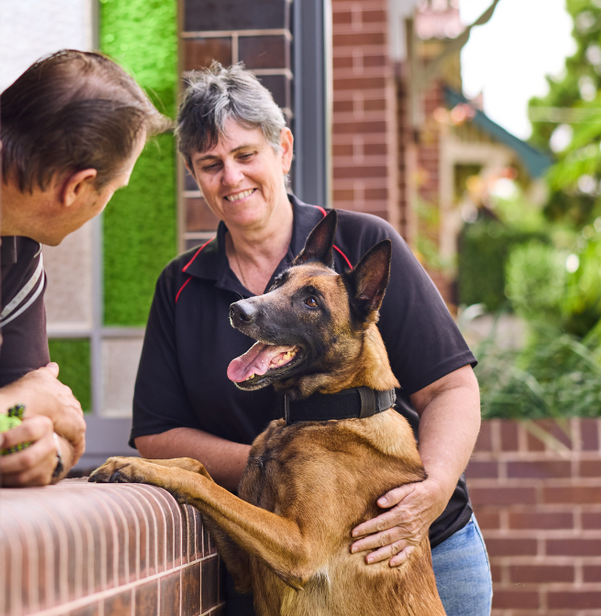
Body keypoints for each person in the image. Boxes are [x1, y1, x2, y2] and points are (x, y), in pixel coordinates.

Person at [129, 63, 492, 615]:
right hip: (277, 556)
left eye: (246, 154)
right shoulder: (181, 286)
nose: (231, 178)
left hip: (414, 548)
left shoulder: (362, 243)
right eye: (211, 164)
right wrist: (277, 462)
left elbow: (451, 389)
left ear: (284, 150)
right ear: (193, 175)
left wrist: (432, 490)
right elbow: (157, 435)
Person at [0, 50, 171, 487]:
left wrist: (45, 454)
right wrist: (11, 407)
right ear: (77, 187)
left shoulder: (18, 255)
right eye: (114, 189)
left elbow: (50, 419)